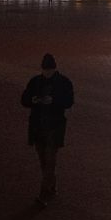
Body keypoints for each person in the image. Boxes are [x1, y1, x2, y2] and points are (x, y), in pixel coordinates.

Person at [21, 53, 75, 206]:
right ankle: (51, 185)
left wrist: (53, 101)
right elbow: (24, 99)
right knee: (44, 160)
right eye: (45, 70)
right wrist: (33, 100)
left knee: (49, 160)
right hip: (40, 126)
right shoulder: (37, 82)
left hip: (53, 126)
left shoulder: (62, 83)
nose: (47, 73)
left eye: (49, 70)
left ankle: (44, 193)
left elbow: (69, 101)